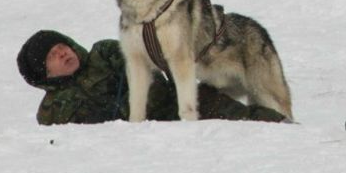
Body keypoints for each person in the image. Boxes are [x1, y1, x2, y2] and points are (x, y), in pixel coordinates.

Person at [16, 30, 286, 125]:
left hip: (174, 106)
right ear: (46, 75)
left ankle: (285, 130)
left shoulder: (104, 51)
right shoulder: (51, 113)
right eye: (52, 55)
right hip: (148, 148)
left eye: (61, 45)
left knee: (226, 110)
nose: (62, 52)